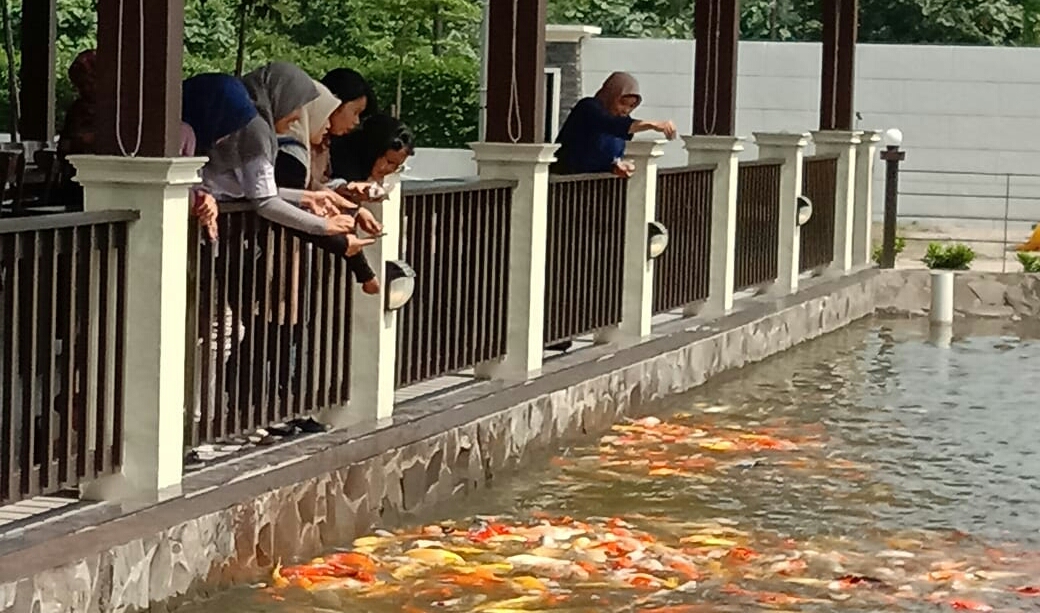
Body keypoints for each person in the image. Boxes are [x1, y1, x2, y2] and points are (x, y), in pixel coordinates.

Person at [553, 71, 677, 178]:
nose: (626, 110)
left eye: (631, 106)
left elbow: (607, 155)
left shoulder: (622, 120)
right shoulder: (589, 108)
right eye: (622, 103)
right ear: (611, 96)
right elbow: (611, 126)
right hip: (567, 180)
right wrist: (652, 125)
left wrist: (616, 166)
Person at [57, 49, 98, 211]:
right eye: (80, 85)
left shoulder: (117, 110)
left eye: (88, 83)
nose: (84, 90)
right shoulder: (77, 109)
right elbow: (63, 148)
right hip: (75, 181)